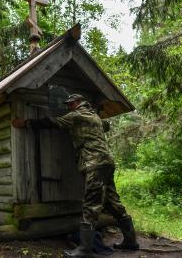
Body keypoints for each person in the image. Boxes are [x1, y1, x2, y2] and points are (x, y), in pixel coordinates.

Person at [12, 94, 139, 257]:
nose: (68, 107)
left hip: (94, 164)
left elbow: (52, 122)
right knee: (113, 202)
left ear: (78, 103)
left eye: (70, 104)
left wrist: (25, 123)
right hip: (107, 163)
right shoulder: (95, 116)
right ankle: (131, 242)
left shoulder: (76, 115)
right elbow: (106, 125)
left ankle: (85, 249)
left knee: (91, 205)